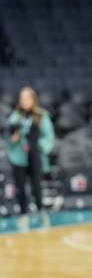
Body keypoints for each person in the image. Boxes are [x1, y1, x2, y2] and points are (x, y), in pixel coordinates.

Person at [5, 87, 55, 229]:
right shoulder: (15, 117)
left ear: (33, 99)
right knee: (20, 187)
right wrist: (12, 139)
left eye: (27, 98)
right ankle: (23, 214)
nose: (24, 101)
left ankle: (40, 211)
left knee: (37, 186)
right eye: (22, 98)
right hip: (18, 157)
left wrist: (38, 145)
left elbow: (49, 137)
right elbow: (8, 138)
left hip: (35, 155)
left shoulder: (41, 115)